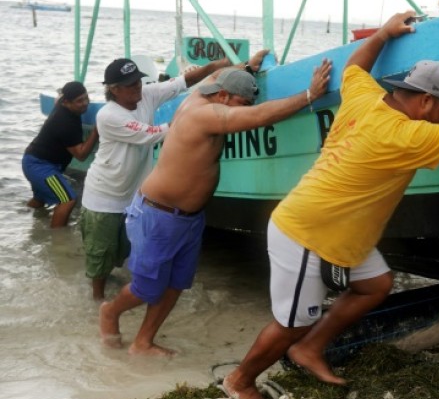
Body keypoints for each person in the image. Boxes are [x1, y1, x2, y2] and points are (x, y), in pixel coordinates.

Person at [222, 10, 439, 398]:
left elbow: (355, 66)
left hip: (336, 227)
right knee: (293, 322)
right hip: (308, 233)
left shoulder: (365, 97)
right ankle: (240, 381)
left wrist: (384, 33)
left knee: (375, 285)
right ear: (423, 100)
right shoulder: (405, 135)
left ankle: (310, 349)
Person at [98, 57, 333, 356]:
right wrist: (310, 95)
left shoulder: (208, 91)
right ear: (222, 96)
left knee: (175, 284)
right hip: (158, 215)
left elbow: (222, 73)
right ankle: (110, 311)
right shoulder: (204, 114)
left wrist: (247, 67)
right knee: (147, 288)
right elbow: (261, 116)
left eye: (246, 103)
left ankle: (143, 342)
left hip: (189, 218)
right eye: (240, 103)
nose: (243, 110)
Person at [80, 52, 266, 301]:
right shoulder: (109, 115)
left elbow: (184, 81)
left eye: (138, 81)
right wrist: (197, 116)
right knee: (99, 259)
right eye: (130, 85)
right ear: (114, 90)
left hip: (132, 196)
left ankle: (121, 296)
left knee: (123, 255)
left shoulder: (145, 94)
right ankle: (96, 303)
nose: (137, 87)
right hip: (103, 197)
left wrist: (233, 67)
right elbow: (154, 133)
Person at [22, 81, 99, 228]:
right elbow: (81, 155)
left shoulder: (62, 104)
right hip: (41, 167)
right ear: (66, 102)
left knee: (39, 200)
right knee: (68, 199)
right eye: (79, 101)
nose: (85, 104)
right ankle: (57, 242)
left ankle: (23, 220)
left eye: (86, 98)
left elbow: (58, 97)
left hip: (32, 161)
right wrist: (95, 132)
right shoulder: (64, 123)